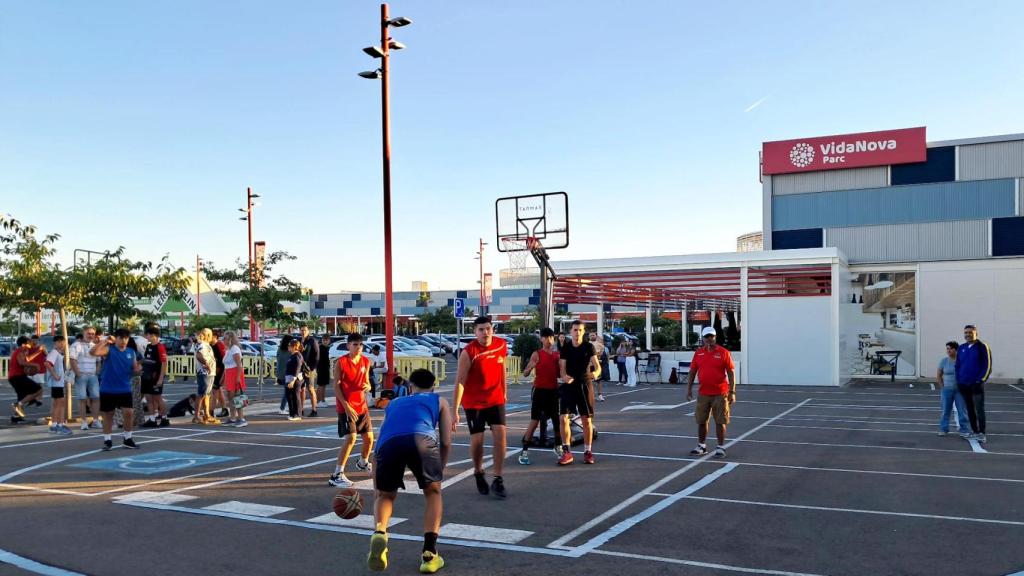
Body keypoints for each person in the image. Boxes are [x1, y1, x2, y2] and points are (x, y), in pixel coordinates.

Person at [368, 368, 452, 574]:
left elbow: (381, 441)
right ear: (433, 386)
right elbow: (446, 441)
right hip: (421, 439)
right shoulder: (439, 401)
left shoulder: (394, 403)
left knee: (386, 495)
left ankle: (380, 531)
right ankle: (429, 553)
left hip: (389, 444)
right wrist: (440, 468)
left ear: (410, 386)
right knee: (433, 493)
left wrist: (376, 483)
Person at [452, 316, 509, 498]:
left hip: (495, 399)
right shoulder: (469, 352)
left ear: (493, 329)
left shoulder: (501, 345)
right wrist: (455, 411)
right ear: (475, 332)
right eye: (481, 330)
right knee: (478, 442)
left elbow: (502, 369)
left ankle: (498, 479)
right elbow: (460, 382)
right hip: (474, 402)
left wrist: (504, 391)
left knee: (501, 437)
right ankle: (478, 471)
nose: (485, 333)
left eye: (488, 329)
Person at [328, 333, 375, 488]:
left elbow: (367, 382)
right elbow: (336, 386)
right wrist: (346, 407)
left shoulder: (365, 361)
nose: (358, 347)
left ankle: (363, 462)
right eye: (355, 344)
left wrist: (368, 386)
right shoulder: (341, 362)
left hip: (361, 406)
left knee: (369, 438)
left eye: (360, 345)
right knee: (351, 439)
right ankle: (337, 474)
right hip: (346, 407)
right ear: (348, 345)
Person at [686, 326, 736, 459]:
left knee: (721, 421)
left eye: (711, 336)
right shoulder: (698, 353)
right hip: (703, 393)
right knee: (701, 420)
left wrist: (732, 391)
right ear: (702, 338)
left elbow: (731, 373)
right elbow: (692, 372)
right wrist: (689, 389)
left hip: (720, 393)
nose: (709, 339)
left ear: (715, 337)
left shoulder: (724, 352)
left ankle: (720, 447)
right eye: (706, 336)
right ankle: (702, 445)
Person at [90, 328, 141, 450]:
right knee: (108, 415)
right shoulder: (109, 350)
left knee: (129, 413)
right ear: (116, 339)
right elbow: (93, 352)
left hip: (124, 388)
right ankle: (107, 440)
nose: (124, 340)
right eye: (121, 338)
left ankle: (127, 439)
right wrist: (106, 340)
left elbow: (135, 368)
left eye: (126, 338)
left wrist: (138, 370)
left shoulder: (131, 352)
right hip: (108, 388)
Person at [558, 320, 600, 466]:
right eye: (575, 330)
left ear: (584, 332)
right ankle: (566, 451)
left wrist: (595, 374)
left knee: (586, 420)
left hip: (585, 385)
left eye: (580, 330)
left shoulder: (589, 347)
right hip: (569, 386)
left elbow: (597, 367)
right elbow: (562, 368)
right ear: (571, 331)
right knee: (563, 418)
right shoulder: (566, 348)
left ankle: (588, 451)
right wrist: (564, 377)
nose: (577, 333)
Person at [519, 328, 562, 465]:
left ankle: (559, 447)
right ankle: (524, 451)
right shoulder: (536, 354)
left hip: (553, 391)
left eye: (551, 338)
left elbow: (561, 374)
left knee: (556, 420)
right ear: (541, 339)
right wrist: (530, 367)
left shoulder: (557, 355)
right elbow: (525, 374)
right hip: (539, 391)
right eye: (546, 337)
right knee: (535, 421)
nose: (549, 340)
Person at [956, 324, 992, 444]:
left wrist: (981, 380)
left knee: (979, 410)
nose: (967, 335)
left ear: (976, 333)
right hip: (964, 384)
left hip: (976, 384)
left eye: (970, 332)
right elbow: (958, 365)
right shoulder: (961, 348)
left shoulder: (982, 347)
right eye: (966, 333)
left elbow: (987, 365)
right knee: (970, 410)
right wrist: (958, 380)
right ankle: (975, 431)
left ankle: (982, 433)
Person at [69, 326, 103, 429]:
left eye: (92, 333)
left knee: (96, 398)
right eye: (89, 333)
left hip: (92, 376)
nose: (91, 335)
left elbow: (98, 361)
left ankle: (96, 420)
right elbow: (72, 360)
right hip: (81, 376)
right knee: (82, 399)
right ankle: (84, 422)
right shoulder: (76, 345)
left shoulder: (95, 346)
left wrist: (97, 371)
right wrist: (78, 374)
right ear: (84, 333)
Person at [936, 340, 971, 438]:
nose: (948, 351)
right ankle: (944, 429)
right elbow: (939, 375)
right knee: (945, 410)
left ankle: (964, 430)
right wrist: (942, 387)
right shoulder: (944, 361)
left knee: (962, 410)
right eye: (947, 349)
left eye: (950, 349)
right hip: (947, 389)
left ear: (956, 350)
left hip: (960, 390)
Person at [8, 336, 44, 423]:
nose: (31, 343)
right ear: (24, 344)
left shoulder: (23, 352)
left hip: (16, 377)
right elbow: (21, 362)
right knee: (38, 390)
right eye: (29, 342)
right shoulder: (20, 351)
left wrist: (38, 352)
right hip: (17, 377)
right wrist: (35, 365)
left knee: (22, 396)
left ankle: (16, 417)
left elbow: (28, 359)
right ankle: (18, 405)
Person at [140, 325, 169, 428]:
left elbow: (164, 363)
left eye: (147, 335)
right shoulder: (149, 346)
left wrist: (161, 378)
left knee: (157, 398)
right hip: (146, 377)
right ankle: (152, 419)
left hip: (156, 377)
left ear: (153, 335)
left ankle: (164, 418)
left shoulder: (160, 347)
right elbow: (147, 360)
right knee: (148, 398)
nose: (145, 336)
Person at [46, 335, 71, 434]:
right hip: (56, 383)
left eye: (62, 342)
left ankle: (57, 424)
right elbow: (47, 364)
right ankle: (56, 425)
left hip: (58, 383)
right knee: (59, 403)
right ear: (55, 343)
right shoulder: (54, 352)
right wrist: (55, 375)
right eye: (59, 342)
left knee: (59, 403)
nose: (61, 344)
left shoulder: (59, 353)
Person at [221, 331, 247, 427]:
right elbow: (227, 366)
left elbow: (239, 364)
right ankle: (232, 418)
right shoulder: (228, 350)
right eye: (224, 338)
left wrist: (238, 378)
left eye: (225, 339)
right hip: (229, 374)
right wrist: (223, 378)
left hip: (235, 374)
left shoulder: (235, 349)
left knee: (237, 397)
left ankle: (241, 418)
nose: (224, 340)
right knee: (230, 398)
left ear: (231, 339)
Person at [194, 328, 219, 424]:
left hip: (208, 373)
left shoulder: (204, 344)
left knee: (206, 395)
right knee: (202, 394)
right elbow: (199, 355)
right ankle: (196, 416)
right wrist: (207, 365)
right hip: (205, 372)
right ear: (208, 335)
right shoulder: (202, 344)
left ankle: (207, 415)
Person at [300, 326, 320, 416]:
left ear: (308, 331)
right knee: (301, 389)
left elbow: (316, 355)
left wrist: (312, 367)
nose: (303, 332)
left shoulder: (312, 341)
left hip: (309, 368)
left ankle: (314, 409)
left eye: (305, 330)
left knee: (311, 388)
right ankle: (301, 409)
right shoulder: (299, 341)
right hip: (300, 368)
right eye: (302, 330)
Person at [284, 338, 305, 421]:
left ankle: (297, 414)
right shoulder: (292, 355)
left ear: (294, 347)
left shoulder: (298, 356)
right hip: (288, 378)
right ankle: (292, 414)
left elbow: (297, 368)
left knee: (295, 396)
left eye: (289, 346)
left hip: (295, 380)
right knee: (289, 397)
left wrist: (293, 380)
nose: (288, 347)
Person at [211, 329, 228, 418]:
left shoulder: (219, 345)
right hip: (214, 370)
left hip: (219, 370)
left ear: (214, 337)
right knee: (218, 391)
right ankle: (224, 409)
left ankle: (211, 412)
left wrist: (223, 374)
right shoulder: (211, 345)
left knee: (215, 391)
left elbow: (223, 360)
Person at [276, 334, 294, 415]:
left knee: (287, 391)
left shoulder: (279, 349)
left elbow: (278, 359)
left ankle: (284, 407)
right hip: (287, 373)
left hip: (280, 372)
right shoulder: (289, 350)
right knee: (288, 392)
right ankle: (282, 408)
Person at [589, 332, 607, 402]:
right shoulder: (587, 344)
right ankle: (590, 395)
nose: (592, 336)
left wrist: (595, 354)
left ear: (596, 336)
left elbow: (600, 353)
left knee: (598, 381)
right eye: (590, 335)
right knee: (589, 381)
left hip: (596, 365)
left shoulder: (599, 344)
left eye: (593, 335)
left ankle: (600, 395)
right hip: (589, 365)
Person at [318, 335, 332, 408]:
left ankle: (322, 400)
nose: (325, 341)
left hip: (325, 368)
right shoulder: (320, 348)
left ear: (329, 341)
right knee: (321, 385)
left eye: (327, 340)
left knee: (324, 385)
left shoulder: (327, 348)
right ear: (322, 340)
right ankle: (320, 401)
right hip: (321, 368)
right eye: (324, 340)